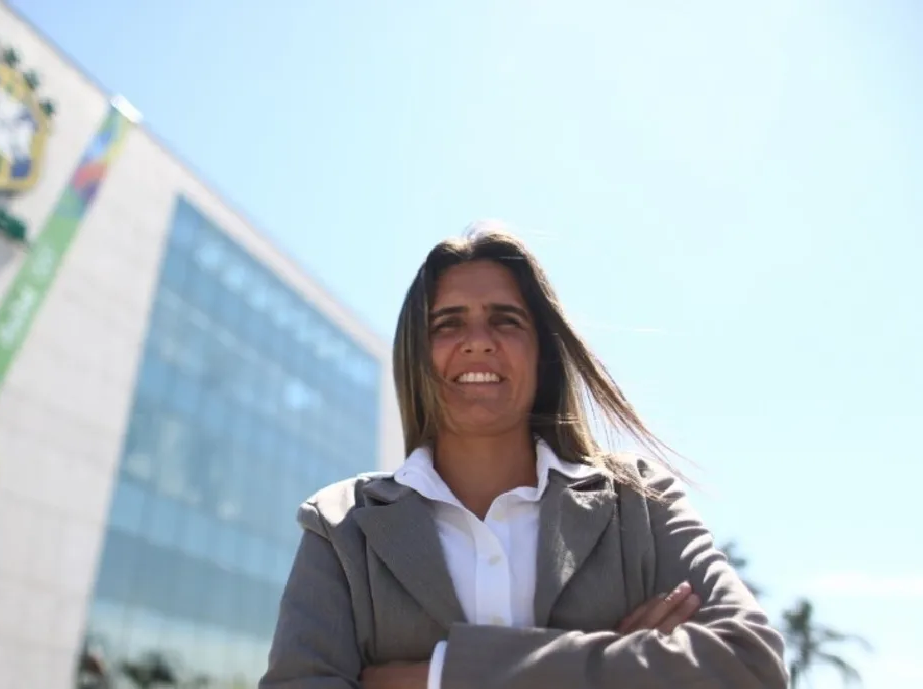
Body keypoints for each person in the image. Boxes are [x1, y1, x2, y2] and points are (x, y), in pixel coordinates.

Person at [259, 222, 787, 689]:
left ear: (543, 353)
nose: (478, 341)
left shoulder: (640, 502)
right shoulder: (341, 525)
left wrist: (443, 677)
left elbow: (751, 665)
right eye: (448, 323)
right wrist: (624, 666)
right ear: (417, 354)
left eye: (506, 320)